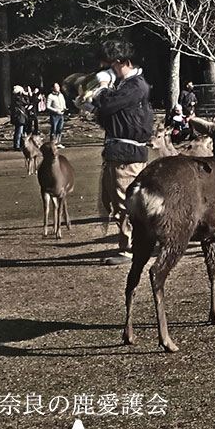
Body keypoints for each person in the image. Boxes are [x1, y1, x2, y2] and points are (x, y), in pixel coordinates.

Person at [93, 41, 154, 265]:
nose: (106, 71)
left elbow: (106, 104)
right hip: (117, 152)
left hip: (127, 156)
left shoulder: (136, 86)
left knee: (126, 203)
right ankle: (132, 245)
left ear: (122, 62)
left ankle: (131, 249)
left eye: (110, 66)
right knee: (114, 201)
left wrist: (102, 87)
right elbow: (107, 113)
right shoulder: (126, 85)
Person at [9, 85, 31, 151]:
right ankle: (17, 145)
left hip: (18, 117)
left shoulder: (14, 98)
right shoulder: (18, 98)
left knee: (18, 131)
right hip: (19, 117)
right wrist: (27, 95)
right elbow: (26, 102)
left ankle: (19, 144)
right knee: (19, 132)